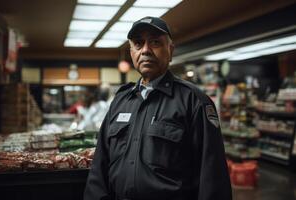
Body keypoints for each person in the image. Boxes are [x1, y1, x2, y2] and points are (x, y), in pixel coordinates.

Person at [84, 16, 232, 200]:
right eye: (138, 43)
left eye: (155, 42)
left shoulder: (194, 101)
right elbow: (100, 166)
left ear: (170, 50)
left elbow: (213, 175)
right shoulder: (120, 100)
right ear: (131, 53)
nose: (145, 50)